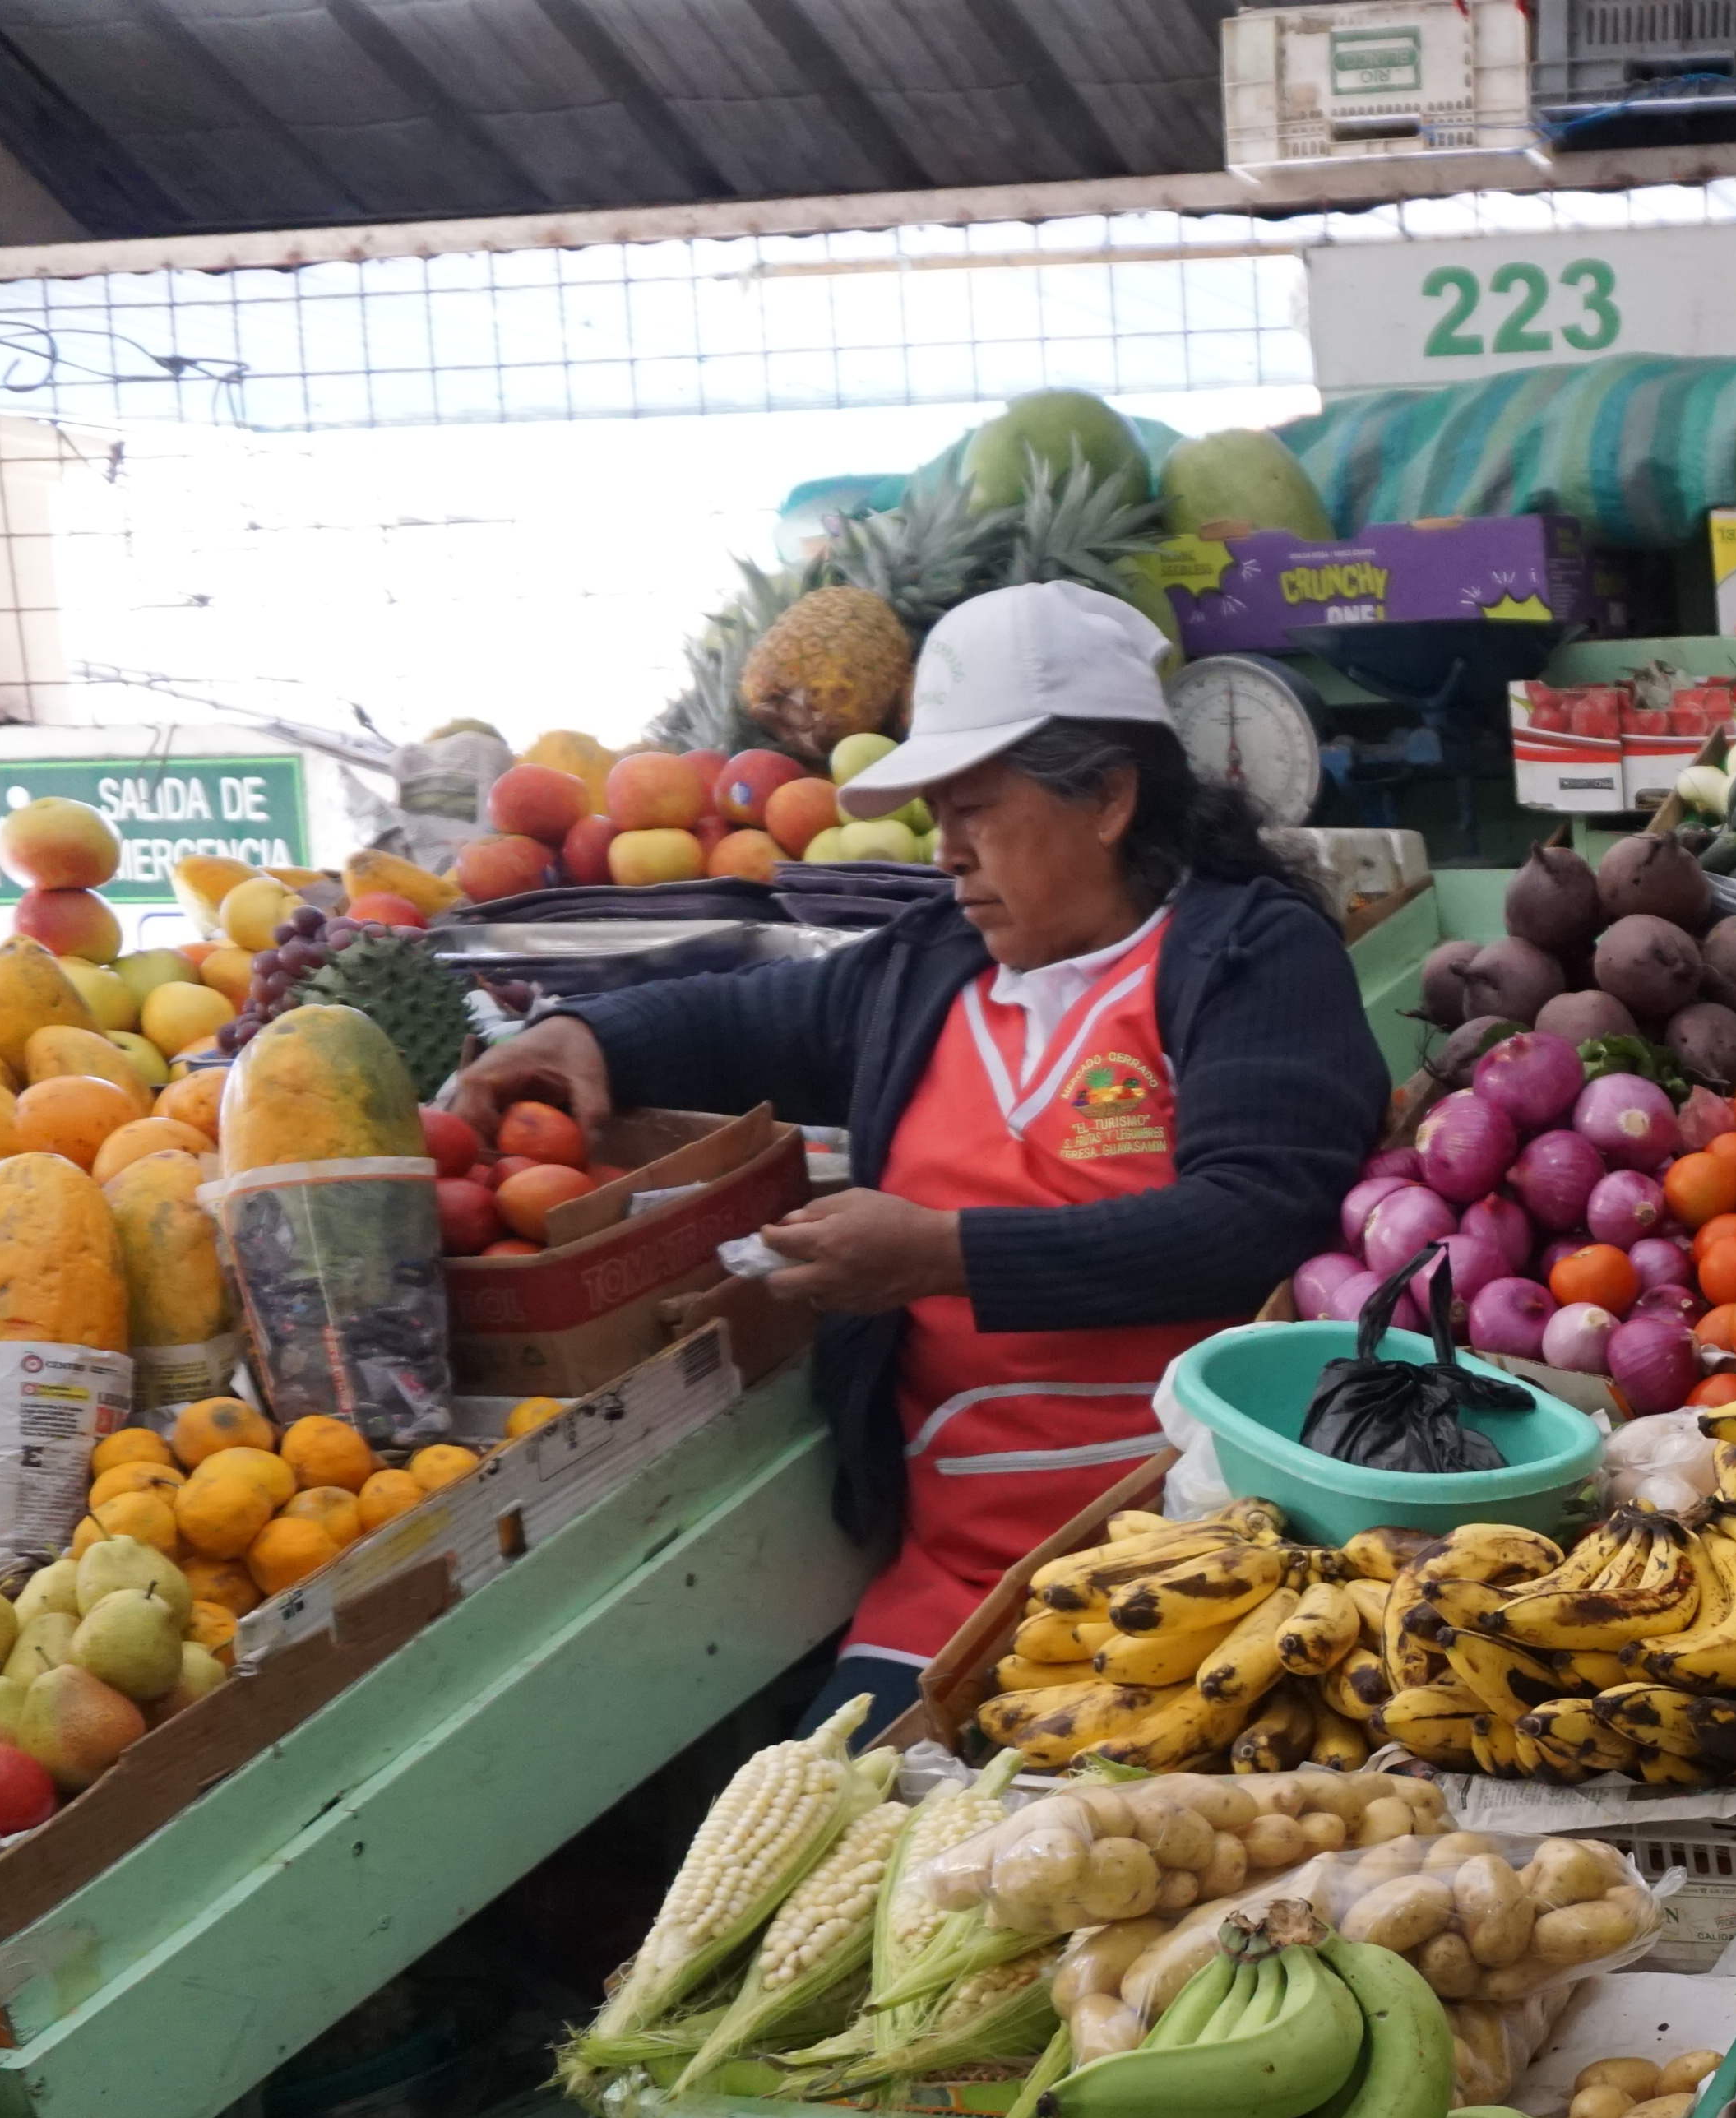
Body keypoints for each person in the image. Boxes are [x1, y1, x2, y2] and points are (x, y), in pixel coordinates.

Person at [454, 582, 1385, 1728]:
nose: (946, 853)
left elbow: (1259, 1215)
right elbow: (748, 1017)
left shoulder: (1247, 958)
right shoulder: (930, 966)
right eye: (937, 814)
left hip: (1208, 1564)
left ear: (1107, 797)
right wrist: (589, 1034)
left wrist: (946, 1256)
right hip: (953, 1583)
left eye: (975, 810)